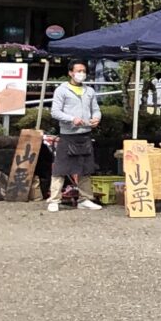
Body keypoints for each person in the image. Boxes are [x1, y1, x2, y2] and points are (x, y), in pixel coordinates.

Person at [48, 59, 104, 211]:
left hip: (85, 133)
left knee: (86, 169)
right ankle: (54, 200)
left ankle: (85, 199)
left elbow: (96, 109)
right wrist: (72, 119)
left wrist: (96, 118)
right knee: (60, 168)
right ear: (70, 73)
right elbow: (55, 112)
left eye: (84, 71)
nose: (82, 74)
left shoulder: (89, 91)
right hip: (68, 134)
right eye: (78, 71)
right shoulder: (62, 90)